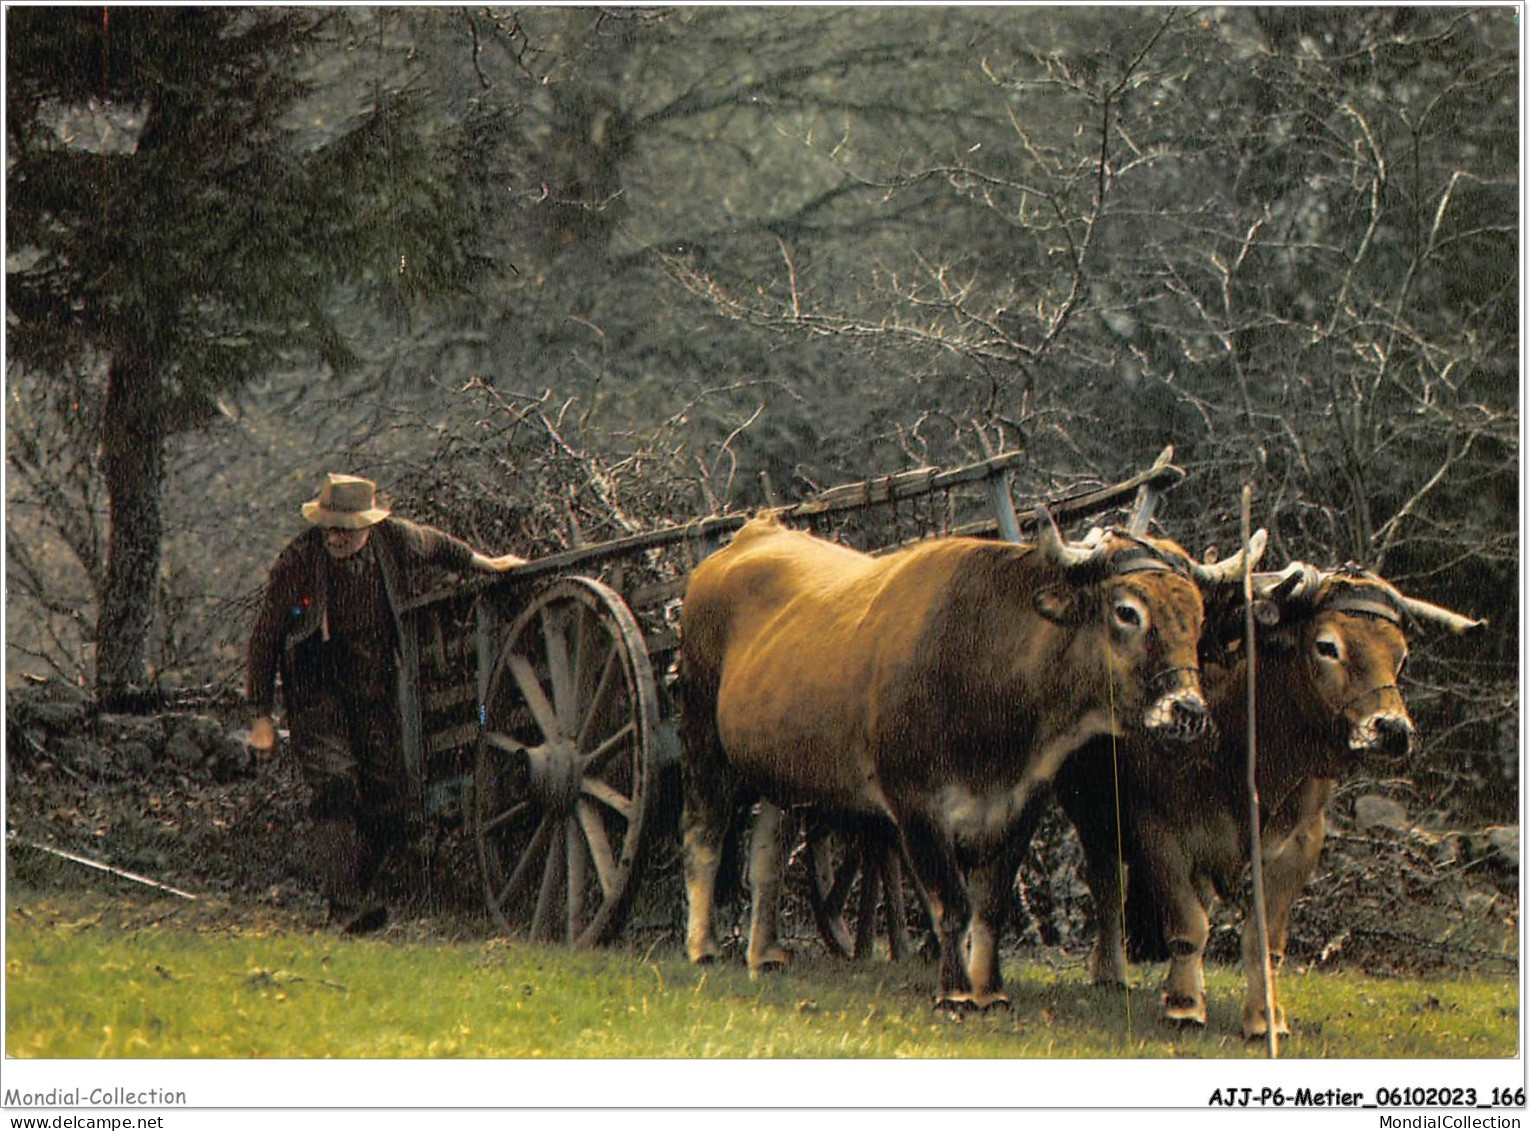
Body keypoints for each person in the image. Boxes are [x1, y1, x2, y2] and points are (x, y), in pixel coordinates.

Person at [246, 472, 524, 933]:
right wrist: (260, 716)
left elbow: (439, 546)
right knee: (335, 786)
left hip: (375, 688)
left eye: (345, 529)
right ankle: (344, 907)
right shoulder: (299, 560)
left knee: (391, 799)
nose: (334, 537)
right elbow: (264, 639)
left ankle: (356, 889)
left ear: (368, 527)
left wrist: (487, 564)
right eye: (329, 527)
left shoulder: (395, 541)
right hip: (316, 691)